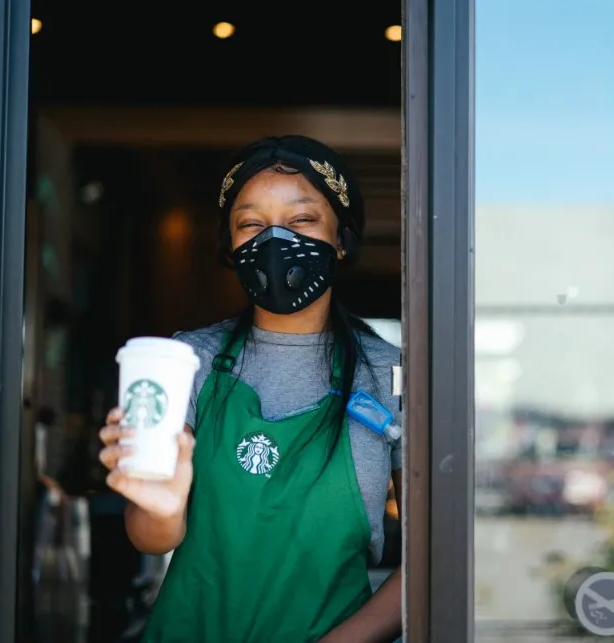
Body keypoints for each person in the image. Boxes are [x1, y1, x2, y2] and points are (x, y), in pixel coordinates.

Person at [98, 135, 403, 643]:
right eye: (251, 224)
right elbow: (150, 537)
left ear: (342, 239)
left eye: (302, 220)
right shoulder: (186, 360)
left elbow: (430, 556)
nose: (275, 241)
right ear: (231, 247)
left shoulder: (387, 373)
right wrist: (161, 506)